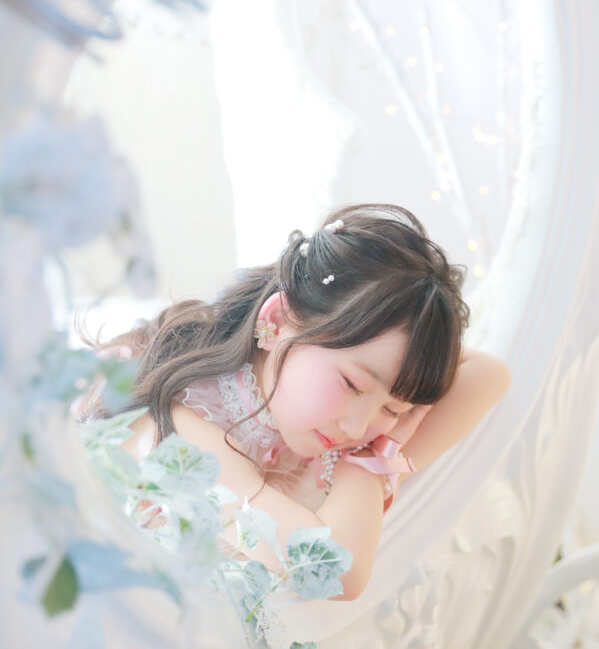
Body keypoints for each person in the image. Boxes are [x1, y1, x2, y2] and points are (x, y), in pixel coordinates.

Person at [106, 203, 510, 601]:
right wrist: (372, 466)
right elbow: (335, 570)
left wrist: (373, 454)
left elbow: (490, 374)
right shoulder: (183, 422)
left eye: (394, 410)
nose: (357, 429)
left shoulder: (297, 404)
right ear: (277, 321)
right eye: (352, 385)